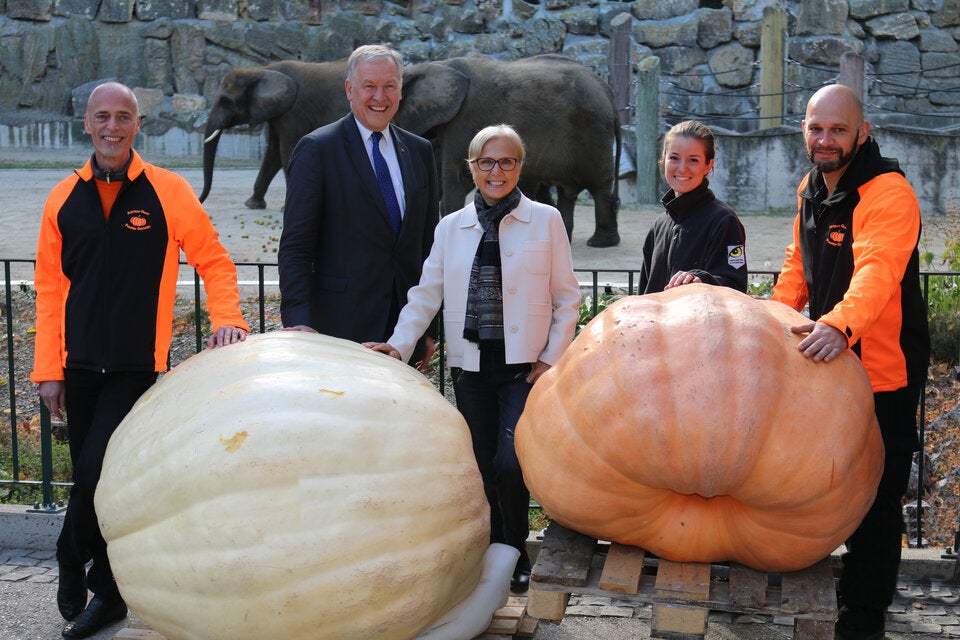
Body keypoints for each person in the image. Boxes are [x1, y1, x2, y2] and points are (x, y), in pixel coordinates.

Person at [30, 82, 250, 639]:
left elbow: (215, 261)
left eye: (123, 117)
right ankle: (108, 595)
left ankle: (69, 555)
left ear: (137, 125)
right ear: (87, 123)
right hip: (77, 366)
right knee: (98, 483)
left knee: (98, 474)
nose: (113, 127)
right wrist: (48, 369)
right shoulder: (62, 198)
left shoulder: (168, 191)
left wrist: (228, 318)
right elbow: (49, 291)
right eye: (102, 117)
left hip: (136, 367)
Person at [365, 125, 581, 593]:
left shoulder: (546, 220)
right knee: (481, 464)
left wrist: (551, 358)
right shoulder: (451, 227)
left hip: (524, 369)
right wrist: (398, 345)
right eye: (486, 162)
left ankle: (515, 549)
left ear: (519, 167)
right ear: (472, 168)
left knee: (511, 462)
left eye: (506, 162)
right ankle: (492, 553)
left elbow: (567, 298)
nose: (495, 171)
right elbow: (426, 294)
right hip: (471, 366)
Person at [770, 84, 930, 640]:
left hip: (883, 371)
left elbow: (878, 273)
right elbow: (798, 263)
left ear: (862, 132)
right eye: (816, 128)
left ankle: (865, 616)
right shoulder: (810, 188)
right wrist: (770, 317)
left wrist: (838, 325)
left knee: (878, 495)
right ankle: (842, 589)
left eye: (838, 129)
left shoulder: (889, 192)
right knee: (829, 482)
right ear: (804, 130)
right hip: (828, 361)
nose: (825, 139)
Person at [278, 44, 439, 366]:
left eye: (389, 86)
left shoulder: (420, 151)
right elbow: (296, 245)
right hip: (337, 330)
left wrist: (427, 328)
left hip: (402, 332)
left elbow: (428, 247)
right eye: (369, 86)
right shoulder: (317, 149)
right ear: (349, 89)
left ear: (401, 90)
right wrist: (298, 321)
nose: (380, 96)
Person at [638, 120, 747, 294]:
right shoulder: (659, 225)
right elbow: (644, 293)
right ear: (663, 159)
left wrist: (700, 280)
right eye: (674, 158)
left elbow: (735, 286)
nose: (682, 169)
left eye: (693, 160)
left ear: (708, 165)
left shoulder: (725, 221)